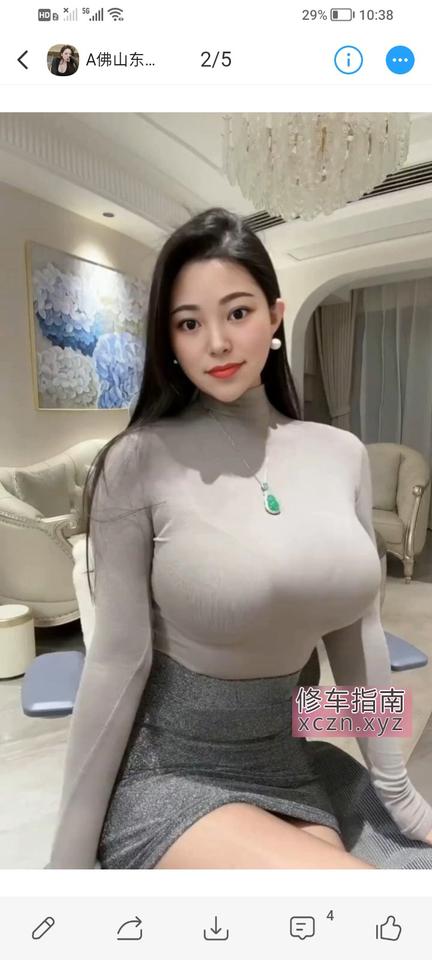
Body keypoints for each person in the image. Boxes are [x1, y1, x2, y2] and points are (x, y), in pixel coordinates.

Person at [46, 207, 432, 869]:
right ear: (169, 339)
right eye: (189, 323)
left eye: (238, 312)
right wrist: (67, 868)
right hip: (171, 772)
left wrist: (400, 792)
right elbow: (116, 664)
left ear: (275, 316)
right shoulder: (136, 461)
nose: (218, 342)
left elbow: (357, 634)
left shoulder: (342, 453)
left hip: (289, 755)